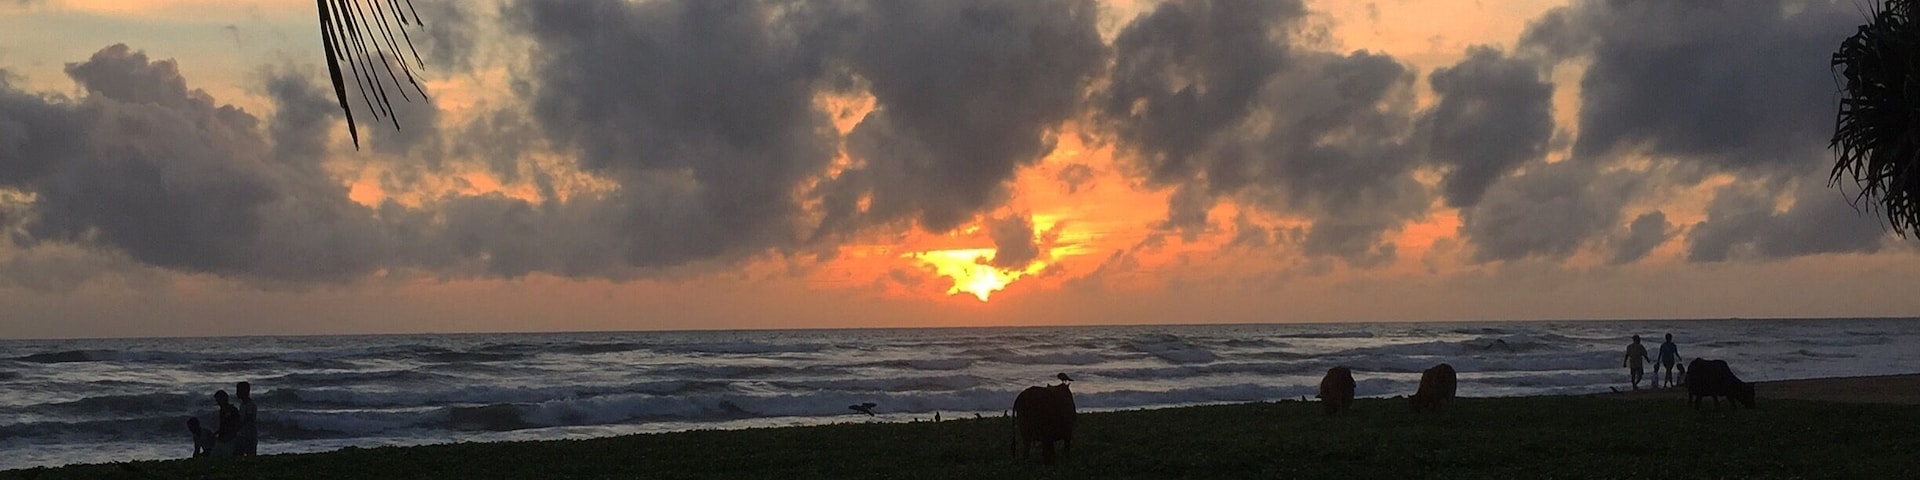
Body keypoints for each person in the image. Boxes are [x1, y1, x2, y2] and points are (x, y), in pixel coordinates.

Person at [212, 390, 241, 457]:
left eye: (219, 400)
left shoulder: (232, 409)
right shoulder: (222, 410)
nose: (218, 402)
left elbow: (236, 423)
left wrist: (232, 434)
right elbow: (223, 425)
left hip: (230, 438)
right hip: (223, 437)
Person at [236, 381, 258, 456]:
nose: (237, 393)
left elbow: (249, 418)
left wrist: (239, 425)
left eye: (239, 390)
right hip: (243, 434)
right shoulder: (242, 405)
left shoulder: (251, 404)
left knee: (251, 454)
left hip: (250, 435)